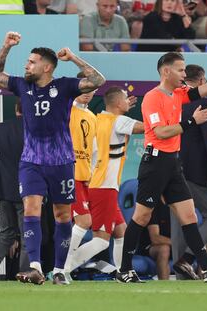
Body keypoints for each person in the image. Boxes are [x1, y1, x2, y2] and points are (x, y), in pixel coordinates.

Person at [117, 51, 207, 283]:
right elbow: (160, 132)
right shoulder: (153, 97)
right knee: (141, 217)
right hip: (155, 164)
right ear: (166, 71)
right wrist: (192, 121)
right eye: (180, 70)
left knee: (189, 215)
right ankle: (124, 269)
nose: (184, 74)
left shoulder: (178, 94)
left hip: (173, 163)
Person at [0, 31, 106, 285]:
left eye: (32, 61)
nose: (26, 65)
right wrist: (5, 47)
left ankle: (59, 270)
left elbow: (98, 79)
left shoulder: (65, 85)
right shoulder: (22, 85)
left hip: (61, 162)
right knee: (31, 208)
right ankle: (35, 266)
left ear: (47, 67)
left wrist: (74, 58)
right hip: (31, 161)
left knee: (62, 216)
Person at [65, 86, 144, 273]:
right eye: (125, 98)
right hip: (103, 185)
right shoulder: (117, 120)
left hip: (99, 183)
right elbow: (149, 128)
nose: (128, 100)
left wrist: (121, 108)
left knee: (121, 231)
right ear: (117, 103)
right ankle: (63, 267)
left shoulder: (97, 118)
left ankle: (121, 272)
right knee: (101, 240)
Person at [171, 64, 207, 280]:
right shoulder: (202, 102)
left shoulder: (172, 100)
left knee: (179, 222)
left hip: (172, 170)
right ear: (202, 82)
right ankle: (188, 257)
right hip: (198, 172)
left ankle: (182, 274)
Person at [63, 73, 97, 276]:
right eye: (85, 87)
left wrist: (93, 173)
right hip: (68, 174)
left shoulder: (92, 117)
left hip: (85, 177)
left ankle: (62, 267)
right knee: (84, 222)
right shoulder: (65, 110)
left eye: (92, 89)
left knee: (74, 223)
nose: (88, 93)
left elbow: (93, 150)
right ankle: (63, 268)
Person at [0, 102, 29, 274]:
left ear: (16, 110)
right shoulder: (34, 130)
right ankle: (25, 273)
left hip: (4, 189)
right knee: (27, 235)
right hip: (28, 190)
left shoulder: (0, 129)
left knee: (5, 234)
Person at [137, 201, 172, 280]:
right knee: (164, 249)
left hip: (174, 245)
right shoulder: (153, 208)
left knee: (202, 246)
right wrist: (177, 243)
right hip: (151, 247)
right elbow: (155, 238)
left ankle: (202, 285)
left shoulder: (180, 206)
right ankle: (165, 286)